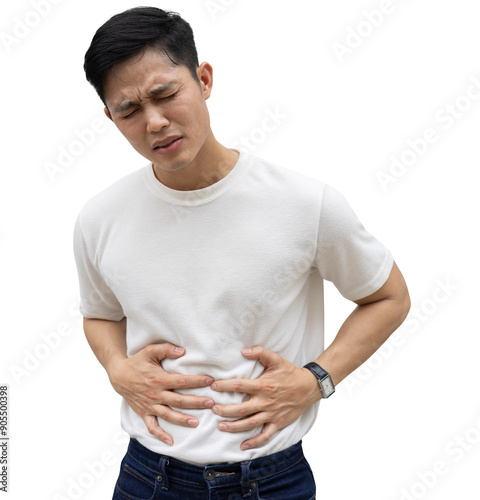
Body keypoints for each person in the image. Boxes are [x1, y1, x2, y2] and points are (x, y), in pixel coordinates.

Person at [74, 6, 411, 499]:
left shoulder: (303, 203)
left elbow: (389, 298)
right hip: (148, 478)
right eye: (129, 111)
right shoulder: (99, 218)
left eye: (166, 94)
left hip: (271, 481)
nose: (155, 122)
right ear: (110, 117)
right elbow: (99, 316)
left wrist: (317, 378)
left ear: (203, 79)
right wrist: (117, 368)